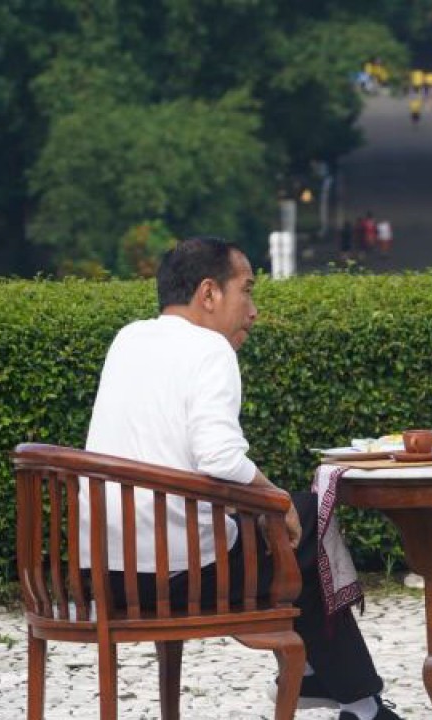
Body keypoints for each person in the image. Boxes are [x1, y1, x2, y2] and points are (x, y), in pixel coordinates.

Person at [81, 236, 403, 720]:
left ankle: (332, 684)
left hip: (106, 575)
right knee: (305, 517)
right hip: (180, 576)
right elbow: (220, 458)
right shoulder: (209, 348)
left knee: (284, 528)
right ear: (209, 293)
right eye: (247, 290)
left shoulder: (128, 339)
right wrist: (277, 499)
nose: (253, 311)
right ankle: (356, 701)